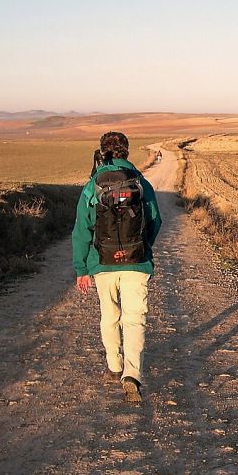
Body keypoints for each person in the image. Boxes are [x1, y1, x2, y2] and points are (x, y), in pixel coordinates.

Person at [72, 131, 162, 403]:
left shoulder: (93, 185)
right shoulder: (141, 183)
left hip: (102, 263)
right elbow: (155, 221)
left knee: (109, 315)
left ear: (102, 152)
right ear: (127, 152)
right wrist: (141, 247)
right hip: (137, 262)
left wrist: (82, 269)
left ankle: (114, 366)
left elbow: (81, 230)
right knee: (135, 320)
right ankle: (131, 375)